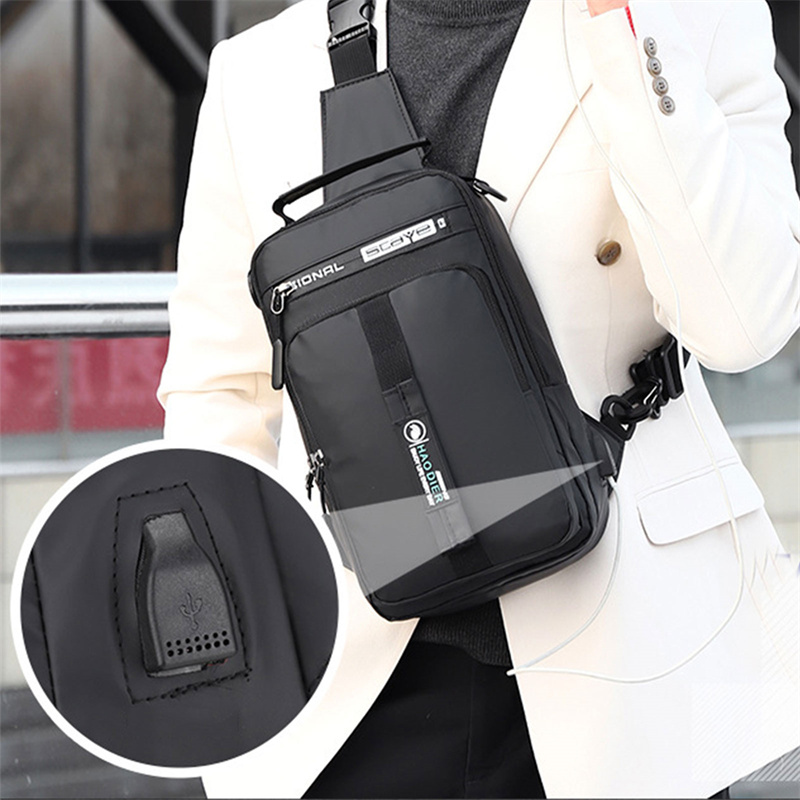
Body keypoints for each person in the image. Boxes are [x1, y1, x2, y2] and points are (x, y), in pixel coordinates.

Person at [157, 0, 800, 797]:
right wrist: (233, 646)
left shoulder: (696, 20)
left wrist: (625, 29)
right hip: (350, 681)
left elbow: (740, 326)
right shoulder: (258, 69)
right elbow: (219, 389)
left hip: (630, 662)